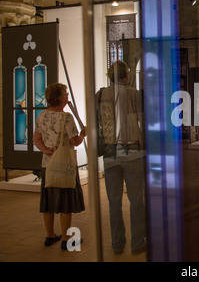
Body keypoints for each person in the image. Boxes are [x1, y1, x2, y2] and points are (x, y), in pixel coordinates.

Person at [96, 60, 146, 255]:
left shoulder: (100, 95)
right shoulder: (134, 94)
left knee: (114, 201)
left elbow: (96, 122)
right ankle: (137, 242)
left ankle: (117, 244)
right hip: (132, 151)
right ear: (126, 75)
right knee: (136, 200)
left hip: (109, 152)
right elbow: (142, 119)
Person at [33, 83, 86, 250]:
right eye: (66, 93)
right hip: (65, 165)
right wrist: (84, 133)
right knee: (65, 202)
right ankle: (65, 238)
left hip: (48, 165)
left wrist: (47, 151)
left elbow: (36, 138)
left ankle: (49, 236)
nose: (68, 96)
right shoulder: (67, 117)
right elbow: (75, 141)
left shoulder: (41, 115)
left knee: (48, 201)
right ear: (61, 98)